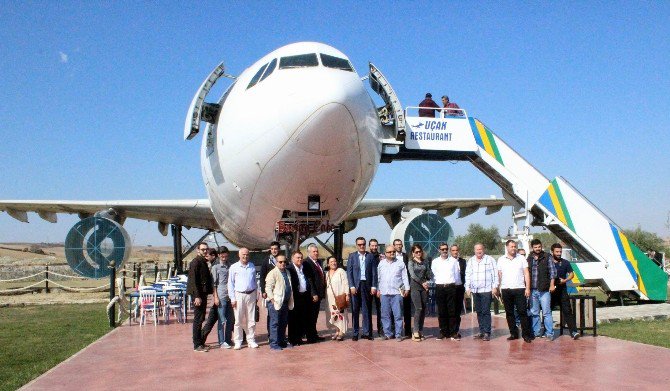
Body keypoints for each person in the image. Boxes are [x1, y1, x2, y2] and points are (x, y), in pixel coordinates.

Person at [497, 240, 532, 343]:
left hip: (520, 289)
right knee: (509, 313)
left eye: (515, 246)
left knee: (522, 312)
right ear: (507, 247)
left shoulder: (521, 258)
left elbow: (526, 274)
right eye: (511, 246)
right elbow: (499, 275)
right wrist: (497, 288)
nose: (513, 248)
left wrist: (528, 288)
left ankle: (526, 335)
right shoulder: (501, 259)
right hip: (506, 289)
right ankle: (513, 333)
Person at [464, 243, 499, 341]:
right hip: (475, 290)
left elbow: (495, 274)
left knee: (486, 311)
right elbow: (468, 275)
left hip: (486, 290)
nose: (479, 251)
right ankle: (481, 331)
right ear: (474, 250)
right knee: (479, 312)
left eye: (480, 249)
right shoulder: (471, 261)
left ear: (484, 250)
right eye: (477, 249)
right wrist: (467, 287)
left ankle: (487, 332)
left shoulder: (490, 260)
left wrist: (495, 286)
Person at [227, 247, 259, 349]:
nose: (245, 256)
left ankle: (251, 340)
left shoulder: (252, 266)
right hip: (239, 295)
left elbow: (255, 281)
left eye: (247, 254)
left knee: (251, 319)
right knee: (238, 320)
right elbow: (230, 284)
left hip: (251, 294)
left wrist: (256, 294)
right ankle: (238, 341)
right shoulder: (234, 267)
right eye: (243, 254)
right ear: (239, 255)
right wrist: (232, 298)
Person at [346, 236, 377, 341]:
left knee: (366, 310)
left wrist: (373, 286)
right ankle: (355, 333)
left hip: (366, 285)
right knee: (355, 310)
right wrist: (352, 286)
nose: (362, 246)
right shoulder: (352, 256)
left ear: (365, 244)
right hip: (356, 286)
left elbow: (374, 272)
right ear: (356, 245)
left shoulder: (370, 256)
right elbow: (349, 273)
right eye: (359, 244)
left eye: (363, 244)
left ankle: (367, 332)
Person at [377, 246, 410, 341]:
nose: (392, 253)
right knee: (385, 315)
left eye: (393, 251)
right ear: (385, 253)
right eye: (389, 252)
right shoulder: (381, 263)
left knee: (398, 314)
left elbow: (404, 277)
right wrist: (378, 289)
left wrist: (407, 288)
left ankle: (398, 334)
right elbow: (379, 278)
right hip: (384, 292)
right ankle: (388, 333)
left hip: (397, 293)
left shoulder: (400, 263)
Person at [526, 239, 557, 341]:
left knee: (546, 312)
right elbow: (526, 273)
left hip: (544, 290)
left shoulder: (547, 256)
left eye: (539, 247)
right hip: (532, 290)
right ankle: (536, 332)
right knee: (534, 312)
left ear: (541, 246)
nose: (537, 249)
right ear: (532, 248)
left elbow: (553, 272)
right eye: (535, 247)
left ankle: (549, 333)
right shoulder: (529, 258)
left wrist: (552, 285)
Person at [187, 242, 214, 352]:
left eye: (206, 249)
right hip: (198, 295)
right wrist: (197, 296)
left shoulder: (203, 262)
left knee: (201, 318)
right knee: (198, 319)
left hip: (203, 294)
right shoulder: (196, 262)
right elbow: (193, 280)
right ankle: (197, 344)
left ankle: (200, 343)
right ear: (198, 250)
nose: (205, 251)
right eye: (203, 249)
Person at [432, 242, 461, 340]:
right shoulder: (435, 261)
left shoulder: (453, 261)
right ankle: (443, 332)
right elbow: (434, 274)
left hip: (451, 287)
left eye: (446, 249)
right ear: (439, 250)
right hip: (440, 287)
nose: (444, 251)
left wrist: (456, 287)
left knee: (452, 310)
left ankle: (453, 332)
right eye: (442, 249)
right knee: (441, 310)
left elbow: (457, 275)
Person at [550, 243, 580, 340]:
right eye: (557, 252)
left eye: (560, 252)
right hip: (551, 291)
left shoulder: (565, 262)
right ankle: (547, 331)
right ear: (552, 252)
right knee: (547, 311)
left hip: (562, 290)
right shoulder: (548, 262)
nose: (559, 253)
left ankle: (574, 332)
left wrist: (565, 280)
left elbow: (571, 274)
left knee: (567, 310)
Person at [264, 254, 293, 351]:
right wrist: (272, 299)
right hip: (275, 303)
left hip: (284, 302)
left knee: (283, 323)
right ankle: (274, 344)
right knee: (275, 323)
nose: (283, 263)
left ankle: (282, 342)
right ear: (276, 263)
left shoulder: (287, 272)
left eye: (284, 262)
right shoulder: (272, 273)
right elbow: (268, 288)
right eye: (280, 262)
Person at [287, 251, 316, 346]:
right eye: (297, 258)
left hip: (305, 296)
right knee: (293, 319)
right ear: (292, 259)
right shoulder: (289, 269)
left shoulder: (305, 268)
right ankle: (293, 339)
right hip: (295, 297)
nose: (299, 259)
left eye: (301, 258)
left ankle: (300, 337)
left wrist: (313, 293)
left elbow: (310, 281)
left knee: (304, 317)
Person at [407, 244, 433, 341]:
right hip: (415, 287)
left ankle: (420, 330)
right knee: (418, 308)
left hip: (424, 287)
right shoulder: (411, 262)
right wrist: (422, 282)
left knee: (423, 309)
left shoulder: (425, 262)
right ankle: (415, 331)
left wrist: (429, 280)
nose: (419, 253)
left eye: (420, 251)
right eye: (416, 252)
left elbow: (429, 273)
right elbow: (412, 275)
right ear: (413, 253)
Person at [212, 247, 234, 348]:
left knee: (230, 320)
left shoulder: (231, 266)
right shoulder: (216, 267)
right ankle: (221, 342)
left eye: (225, 255)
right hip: (221, 296)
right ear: (219, 255)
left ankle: (228, 340)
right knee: (222, 320)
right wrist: (215, 297)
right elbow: (214, 284)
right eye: (222, 255)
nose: (224, 257)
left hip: (231, 296)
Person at [303, 243, 326, 343]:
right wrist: (313, 293)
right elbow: (309, 280)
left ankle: (314, 334)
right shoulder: (307, 263)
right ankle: (310, 336)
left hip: (319, 293)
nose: (316, 253)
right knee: (310, 316)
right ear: (309, 253)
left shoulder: (318, 262)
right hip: (313, 295)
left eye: (317, 251)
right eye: (314, 252)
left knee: (315, 315)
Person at [325, 256, 350, 341]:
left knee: (341, 314)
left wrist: (347, 294)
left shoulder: (341, 271)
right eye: (331, 262)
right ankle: (337, 330)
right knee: (333, 314)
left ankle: (341, 332)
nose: (333, 263)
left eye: (335, 261)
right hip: (330, 298)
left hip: (340, 297)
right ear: (328, 264)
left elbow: (346, 283)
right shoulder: (327, 273)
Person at [393, 238, 412, 338]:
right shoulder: (390, 256)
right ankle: (395, 331)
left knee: (407, 309)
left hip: (404, 286)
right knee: (395, 310)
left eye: (400, 244)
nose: (399, 246)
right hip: (394, 287)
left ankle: (408, 331)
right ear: (394, 245)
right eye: (397, 244)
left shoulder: (406, 256)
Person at [260, 241, 281, 331]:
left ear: (279, 249)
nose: (273, 251)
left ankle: (280, 333)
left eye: (275, 249)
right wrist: (263, 291)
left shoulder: (283, 260)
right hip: (270, 292)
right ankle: (271, 334)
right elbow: (262, 276)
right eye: (272, 249)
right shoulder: (266, 261)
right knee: (271, 313)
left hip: (280, 290)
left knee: (281, 312)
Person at [449, 244, 467, 338]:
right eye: (453, 250)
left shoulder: (463, 261)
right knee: (451, 310)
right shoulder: (447, 261)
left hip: (460, 288)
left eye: (456, 250)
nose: (455, 252)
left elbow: (466, 274)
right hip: (450, 288)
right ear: (450, 251)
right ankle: (449, 330)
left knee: (458, 311)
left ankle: (456, 330)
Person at [369, 238, 384, 337]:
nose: (374, 247)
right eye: (372, 245)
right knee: (368, 309)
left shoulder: (381, 257)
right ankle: (369, 331)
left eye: (376, 245)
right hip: (369, 287)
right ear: (369, 246)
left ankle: (381, 330)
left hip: (379, 286)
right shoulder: (366, 256)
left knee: (380, 309)